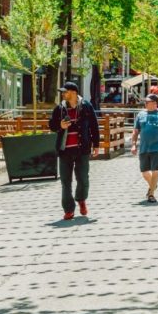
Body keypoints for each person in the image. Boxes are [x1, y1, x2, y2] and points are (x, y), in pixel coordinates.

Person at [48, 81, 99, 220]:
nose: (63, 94)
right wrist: (60, 125)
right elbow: (51, 125)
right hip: (64, 150)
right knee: (66, 181)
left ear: (74, 92)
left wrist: (97, 145)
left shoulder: (87, 106)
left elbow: (94, 126)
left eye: (66, 91)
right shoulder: (59, 108)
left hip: (82, 149)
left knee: (83, 179)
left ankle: (81, 199)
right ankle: (69, 209)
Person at [133, 94, 158, 202]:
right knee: (145, 172)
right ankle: (153, 185)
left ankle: (151, 194)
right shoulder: (140, 114)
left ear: (155, 103)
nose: (145, 103)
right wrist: (133, 145)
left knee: (155, 170)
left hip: (157, 147)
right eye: (145, 102)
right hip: (144, 147)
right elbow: (136, 131)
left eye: (148, 102)